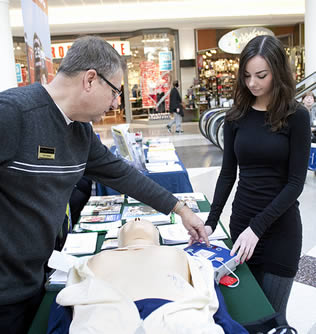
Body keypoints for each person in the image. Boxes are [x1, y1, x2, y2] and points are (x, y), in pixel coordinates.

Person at [0, 36, 208, 334]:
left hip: (36, 277)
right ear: (89, 80)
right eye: (115, 92)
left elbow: (124, 175)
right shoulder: (12, 114)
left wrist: (180, 209)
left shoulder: (81, 132)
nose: (115, 102)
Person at [204, 35, 311, 326]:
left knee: (273, 321)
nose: (253, 83)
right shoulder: (235, 117)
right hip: (242, 228)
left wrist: (258, 227)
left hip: (280, 232)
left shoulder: (296, 116)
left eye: (261, 75)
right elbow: (228, 173)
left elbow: (295, 184)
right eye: (247, 75)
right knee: (246, 318)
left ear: (277, 71)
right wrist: (211, 222)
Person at [52, 219, 247, 334]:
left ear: (158, 239)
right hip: (106, 319)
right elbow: (66, 301)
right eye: (129, 223)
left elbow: (212, 300)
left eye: (145, 222)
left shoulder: (183, 256)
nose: (136, 220)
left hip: (177, 318)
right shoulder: (92, 260)